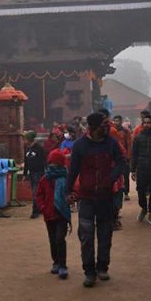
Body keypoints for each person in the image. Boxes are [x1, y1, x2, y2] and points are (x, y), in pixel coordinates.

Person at [66, 111, 126, 287]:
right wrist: (68, 191)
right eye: (103, 124)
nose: (107, 126)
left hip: (105, 197)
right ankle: (89, 272)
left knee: (105, 234)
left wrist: (112, 178)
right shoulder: (80, 146)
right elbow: (73, 170)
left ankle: (102, 268)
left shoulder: (110, 143)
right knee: (86, 236)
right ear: (93, 127)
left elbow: (121, 161)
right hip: (86, 198)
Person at [36, 149, 71, 280]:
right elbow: (39, 195)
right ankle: (56, 262)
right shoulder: (45, 179)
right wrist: (43, 207)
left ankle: (63, 265)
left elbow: (72, 191)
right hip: (49, 214)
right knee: (53, 239)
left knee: (60, 239)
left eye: (54, 164)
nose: (52, 167)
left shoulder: (66, 178)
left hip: (61, 213)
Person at [22, 131, 46, 218]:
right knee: (36, 192)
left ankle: (35, 211)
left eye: (25, 139)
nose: (24, 141)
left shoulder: (39, 148)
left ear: (29, 139)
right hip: (32, 173)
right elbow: (26, 162)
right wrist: (25, 174)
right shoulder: (28, 148)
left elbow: (44, 160)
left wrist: (46, 172)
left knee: (35, 193)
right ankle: (39, 209)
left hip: (39, 173)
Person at [112, 115, 132, 203]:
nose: (116, 122)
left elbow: (129, 144)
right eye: (115, 120)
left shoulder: (125, 131)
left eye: (118, 121)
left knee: (125, 175)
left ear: (121, 121)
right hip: (114, 157)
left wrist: (128, 156)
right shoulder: (111, 131)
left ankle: (126, 192)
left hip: (123, 156)